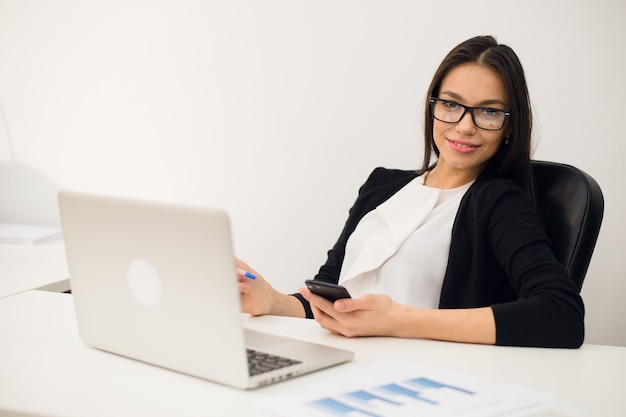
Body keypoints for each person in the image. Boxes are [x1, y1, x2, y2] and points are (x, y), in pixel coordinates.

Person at [237, 35, 584, 349]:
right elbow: (330, 295)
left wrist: (399, 321)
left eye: (489, 111)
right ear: (432, 107)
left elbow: (561, 314)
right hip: (335, 357)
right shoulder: (381, 186)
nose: (465, 125)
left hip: (419, 376)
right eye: (451, 104)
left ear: (509, 126)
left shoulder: (499, 202)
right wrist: (271, 300)